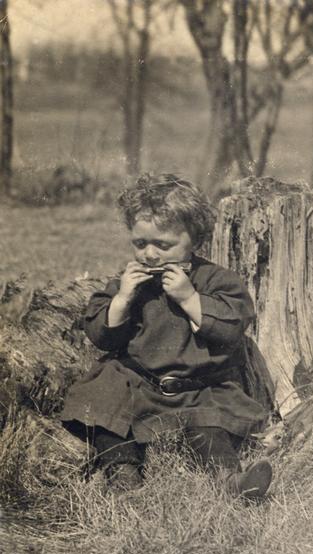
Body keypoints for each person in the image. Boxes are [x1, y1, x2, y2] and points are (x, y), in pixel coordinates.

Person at [61, 173, 272, 498]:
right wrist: (122, 300)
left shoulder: (216, 280)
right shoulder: (130, 283)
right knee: (101, 405)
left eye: (163, 245)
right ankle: (123, 473)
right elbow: (102, 335)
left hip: (198, 386)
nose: (149, 254)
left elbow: (232, 326)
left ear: (195, 241)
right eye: (140, 243)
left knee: (209, 428)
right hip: (139, 381)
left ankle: (232, 482)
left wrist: (189, 298)